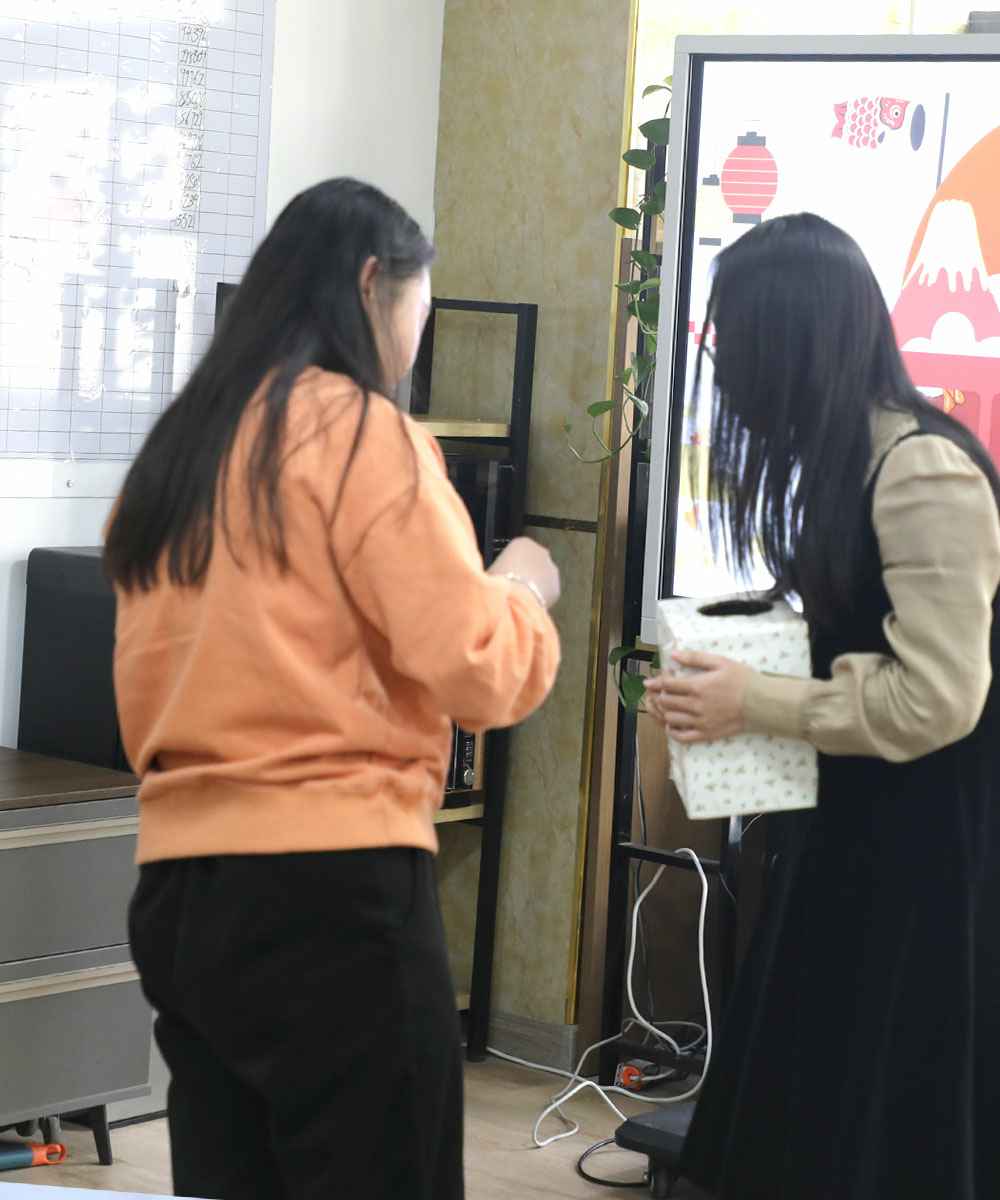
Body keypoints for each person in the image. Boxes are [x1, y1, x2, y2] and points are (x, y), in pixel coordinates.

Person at [104, 178, 561, 1200]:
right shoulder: (363, 438)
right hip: (332, 891)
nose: (415, 337)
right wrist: (524, 590)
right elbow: (478, 670)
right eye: (419, 308)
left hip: (182, 893)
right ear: (369, 286)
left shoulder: (179, 452)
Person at [645, 213, 1000, 1200]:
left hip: (918, 855)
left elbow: (937, 698)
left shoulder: (922, 470)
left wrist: (754, 699)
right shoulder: (856, 457)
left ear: (793, 339)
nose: (725, 366)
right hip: (854, 833)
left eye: (737, 337)